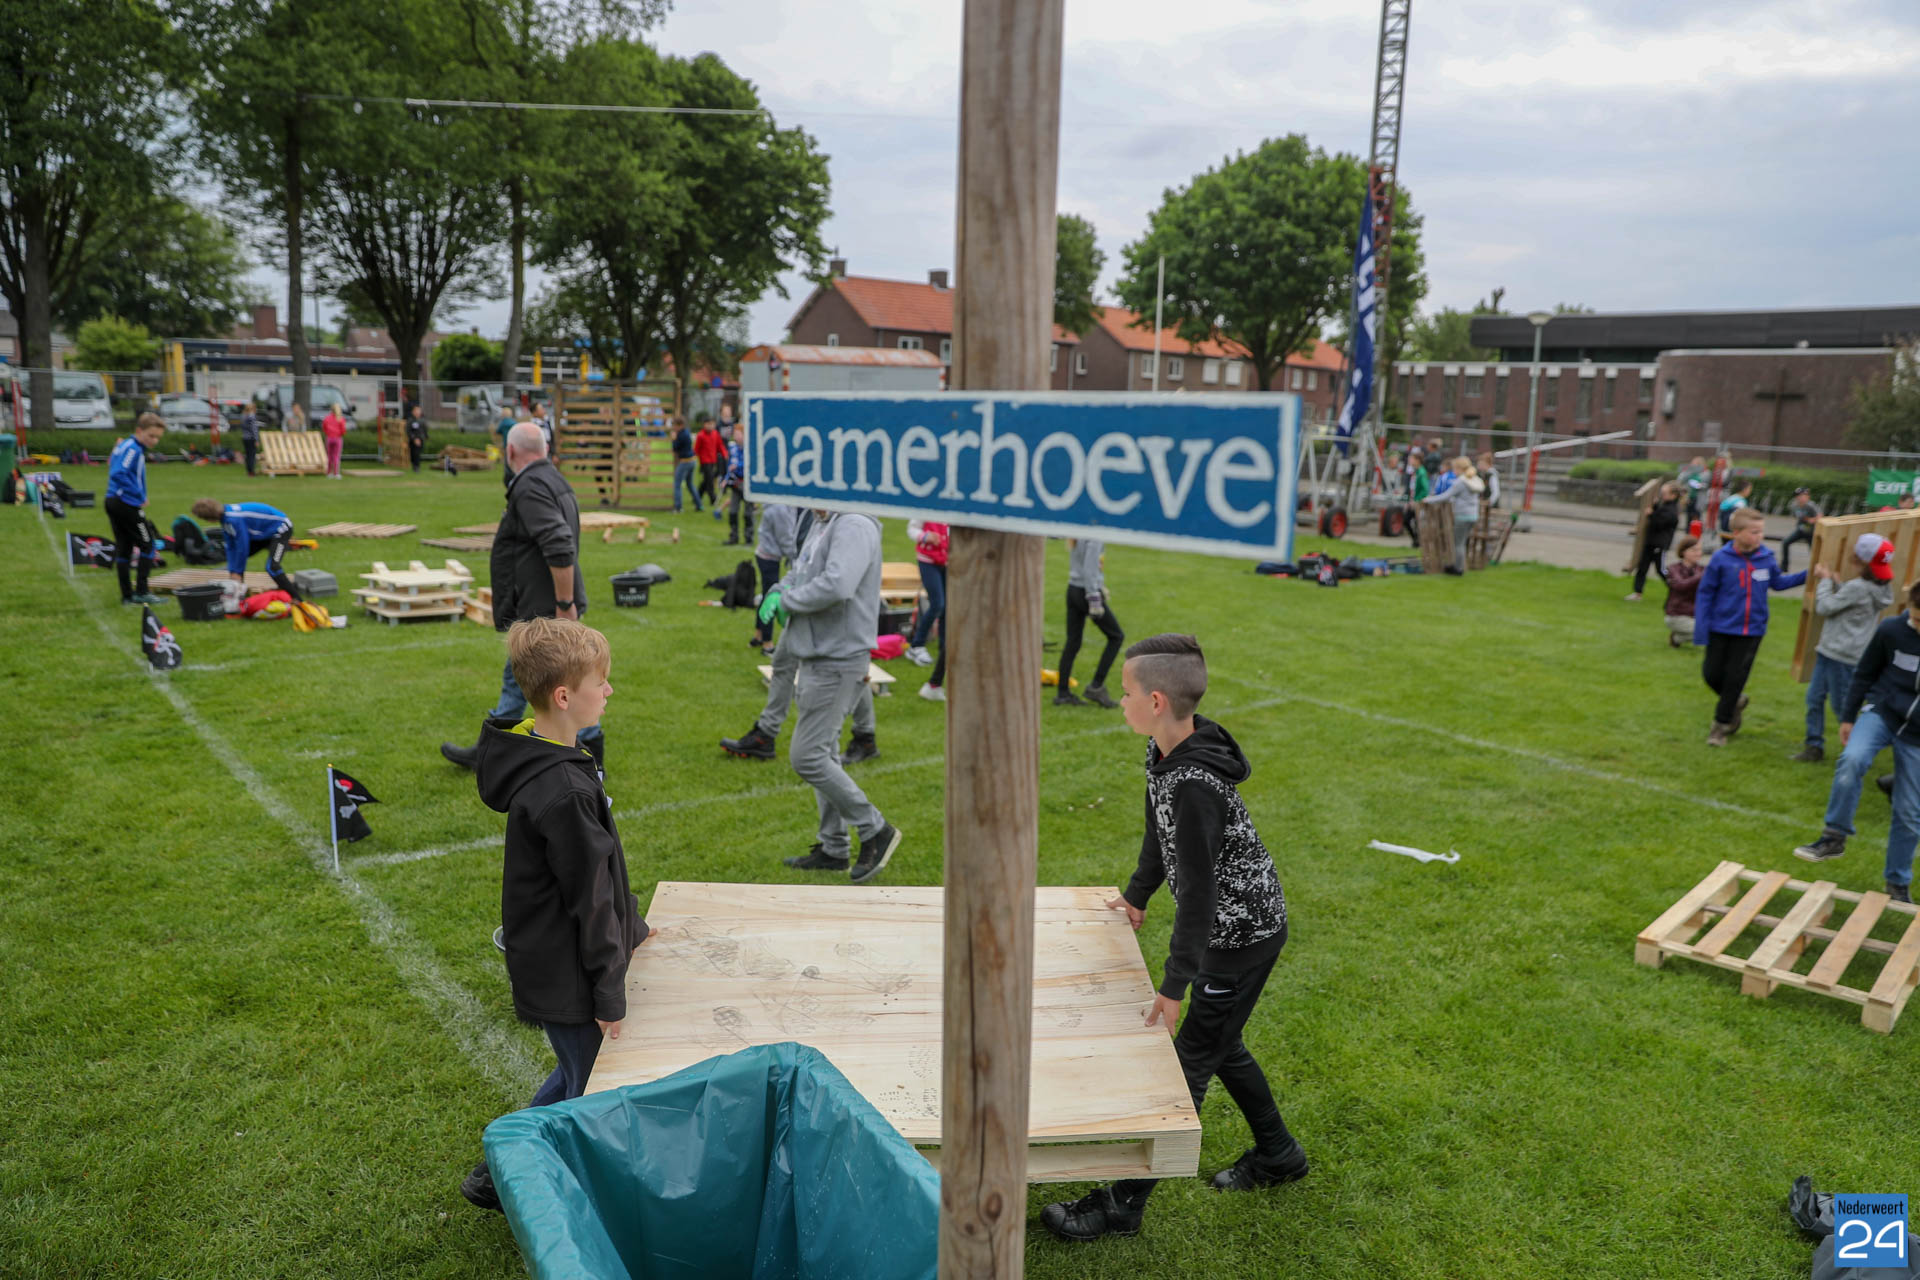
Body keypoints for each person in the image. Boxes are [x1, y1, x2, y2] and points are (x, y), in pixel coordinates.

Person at [1040, 634, 1304, 1243]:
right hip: (1229, 932)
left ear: (1155, 700)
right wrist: (1138, 893)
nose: (1120, 701)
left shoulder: (1195, 783)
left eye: (1126, 693)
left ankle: (1122, 1203)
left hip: (1239, 938)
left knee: (1186, 1069)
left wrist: (1175, 984)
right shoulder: (1165, 755)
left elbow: (1202, 896)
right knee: (1221, 1045)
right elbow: (1159, 833)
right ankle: (1279, 1154)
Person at [459, 616, 653, 1212]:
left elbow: (602, 869)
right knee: (593, 1089)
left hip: (564, 960)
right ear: (565, 696)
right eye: (601, 682)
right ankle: (515, 1177)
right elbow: (588, 899)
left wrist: (633, 925)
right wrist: (608, 991)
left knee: (580, 1075)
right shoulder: (562, 789)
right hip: (566, 970)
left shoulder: (556, 755)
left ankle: (498, 1169)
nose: (610, 690)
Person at [440, 423, 601, 773]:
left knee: (552, 680)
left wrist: (564, 605)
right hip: (545, 604)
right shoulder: (553, 479)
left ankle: (500, 752)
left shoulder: (530, 486)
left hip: (544, 608)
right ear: (544, 449)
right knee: (537, 678)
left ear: (510, 452)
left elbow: (560, 544)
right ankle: (496, 749)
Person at [758, 509, 901, 882]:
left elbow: (838, 584)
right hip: (818, 652)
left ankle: (875, 829)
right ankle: (834, 848)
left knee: (807, 756)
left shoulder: (854, 523)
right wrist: (778, 590)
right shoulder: (823, 521)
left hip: (839, 658)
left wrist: (788, 601)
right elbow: (801, 570)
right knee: (825, 751)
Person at [1790, 581, 1920, 904]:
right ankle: (1834, 836)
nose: (1917, 625)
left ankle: (1897, 883)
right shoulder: (1892, 630)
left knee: (1909, 812)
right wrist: (1848, 717)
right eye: (1915, 618)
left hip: (1917, 736)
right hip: (1883, 713)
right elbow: (1864, 673)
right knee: (1852, 759)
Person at [1694, 507, 1806, 746]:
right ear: (1736, 533)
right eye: (1754, 532)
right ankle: (1734, 700)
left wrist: (1808, 574)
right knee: (1711, 674)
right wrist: (1702, 628)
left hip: (1751, 631)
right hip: (1720, 627)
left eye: (1761, 532)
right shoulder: (1721, 559)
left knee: (1735, 678)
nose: (1759, 536)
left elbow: (1779, 583)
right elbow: (1705, 594)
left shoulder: (1766, 558)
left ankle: (1720, 727)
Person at [1792, 534, 1895, 764]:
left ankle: (1859, 749)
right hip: (1836, 652)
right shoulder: (1879, 588)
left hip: (1840, 656)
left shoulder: (1858, 587)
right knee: (1815, 698)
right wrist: (1838, 586)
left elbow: (1825, 607)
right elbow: (1851, 606)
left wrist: (1825, 581)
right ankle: (1814, 746)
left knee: (1843, 709)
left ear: (1859, 560)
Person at [191, 496, 301, 605]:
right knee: (237, 563)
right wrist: (233, 571)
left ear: (209, 518)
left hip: (281, 529)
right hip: (264, 532)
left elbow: (242, 548)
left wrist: (237, 572)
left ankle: (297, 599)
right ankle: (239, 597)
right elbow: (231, 547)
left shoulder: (233, 520)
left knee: (272, 567)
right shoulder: (225, 518)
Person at [106, 413, 166, 606]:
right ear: (139, 431)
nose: (154, 441)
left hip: (113, 500)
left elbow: (113, 463)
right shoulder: (133, 448)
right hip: (125, 503)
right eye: (151, 436)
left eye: (157, 437)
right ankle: (142, 591)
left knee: (125, 548)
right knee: (148, 545)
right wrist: (138, 494)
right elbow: (118, 473)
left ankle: (127, 596)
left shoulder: (126, 445)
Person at [1057, 538, 1123, 708]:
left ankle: (1062, 693)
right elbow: (1089, 569)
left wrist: (1099, 586)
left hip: (1073, 590)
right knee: (1116, 637)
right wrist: (1094, 596)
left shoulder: (1080, 534)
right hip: (1086, 593)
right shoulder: (1095, 537)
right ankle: (1096, 687)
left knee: (1072, 642)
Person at [1421, 456, 1483, 576]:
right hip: (1473, 515)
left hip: (1462, 516)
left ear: (1459, 468)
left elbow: (1446, 496)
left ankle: (1458, 569)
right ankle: (1457, 566)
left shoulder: (1461, 482)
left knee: (1458, 543)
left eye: (1454, 468)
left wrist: (1428, 500)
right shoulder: (1473, 479)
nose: (1453, 471)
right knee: (1462, 542)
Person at [752, 503, 802, 650]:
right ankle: (767, 643)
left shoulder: (782, 506)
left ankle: (758, 636)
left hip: (767, 555)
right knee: (771, 598)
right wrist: (798, 559)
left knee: (765, 595)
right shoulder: (780, 509)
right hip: (769, 558)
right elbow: (785, 539)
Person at [904, 518, 949, 667]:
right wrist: (925, 536)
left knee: (947, 607)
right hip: (927, 561)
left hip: (947, 560)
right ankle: (916, 645)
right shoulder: (927, 510)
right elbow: (912, 529)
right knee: (938, 604)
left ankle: (944, 648)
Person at [1626, 483, 1681, 601]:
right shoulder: (1665, 506)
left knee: (1661, 570)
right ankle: (1637, 593)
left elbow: (1659, 523)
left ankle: (1678, 589)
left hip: (1659, 545)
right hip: (1650, 543)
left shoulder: (1672, 510)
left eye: (1664, 493)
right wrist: (1655, 507)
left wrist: (1651, 514)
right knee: (1642, 567)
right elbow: (1658, 515)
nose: (1662, 496)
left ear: (1673, 495)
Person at [1662, 535, 1704, 649]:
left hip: (1696, 615)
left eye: (1700, 550)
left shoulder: (1702, 569)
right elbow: (1680, 586)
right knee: (1707, 632)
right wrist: (1700, 576)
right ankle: (1677, 637)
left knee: (1715, 630)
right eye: (1694, 550)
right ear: (1683, 552)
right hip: (1676, 615)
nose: (1698, 553)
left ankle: (1677, 637)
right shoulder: (1673, 569)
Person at [722, 423, 753, 546]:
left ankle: (748, 538)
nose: (736, 437)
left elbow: (750, 463)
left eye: (738, 434)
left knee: (748, 513)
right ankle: (733, 537)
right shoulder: (733, 448)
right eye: (735, 434)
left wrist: (739, 466)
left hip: (747, 485)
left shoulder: (750, 448)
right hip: (735, 484)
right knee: (733, 511)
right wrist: (725, 479)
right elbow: (730, 465)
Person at [1779, 487, 1820, 572]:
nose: (1800, 498)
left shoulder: (1811, 505)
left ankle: (1816, 569)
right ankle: (1784, 566)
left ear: (1807, 497)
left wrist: (1812, 520)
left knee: (1814, 551)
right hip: (1801, 530)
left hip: (1811, 532)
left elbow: (1820, 516)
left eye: (1803, 496)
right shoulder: (1794, 505)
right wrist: (1805, 520)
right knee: (1785, 542)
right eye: (1798, 496)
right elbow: (1798, 516)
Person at [695, 415, 725, 513]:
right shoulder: (700, 435)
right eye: (708, 424)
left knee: (706, 480)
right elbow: (696, 449)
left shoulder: (715, 434)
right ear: (704, 425)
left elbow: (720, 445)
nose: (710, 426)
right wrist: (696, 458)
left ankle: (697, 495)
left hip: (713, 460)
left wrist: (725, 453)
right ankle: (713, 498)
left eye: (712, 424)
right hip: (704, 461)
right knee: (710, 480)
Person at [670, 417, 700, 513]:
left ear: (681, 425)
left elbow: (675, 448)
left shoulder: (681, 435)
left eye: (675, 425)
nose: (674, 428)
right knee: (689, 484)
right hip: (692, 460)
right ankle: (699, 505)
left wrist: (673, 439)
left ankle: (678, 508)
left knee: (677, 484)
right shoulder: (685, 433)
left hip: (686, 461)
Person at [320, 402, 348, 478]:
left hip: (329, 438)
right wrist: (340, 434)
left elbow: (324, 427)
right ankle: (336, 473)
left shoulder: (327, 418)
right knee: (336, 456)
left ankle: (329, 473)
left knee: (329, 456)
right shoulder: (340, 419)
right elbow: (343, 430)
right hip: (337, 438)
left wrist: (328, 433)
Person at [1679, 456, 1708, 524]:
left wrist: (1698, 485)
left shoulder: (1705, 472)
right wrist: (1686, 473)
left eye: (1697, 464)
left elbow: (1707, 485)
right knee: (1688, 515)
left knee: (1696, 516)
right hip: (1689, 497)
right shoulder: (1689, 472)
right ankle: (1688, 529)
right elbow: (1680, 480)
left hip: (1698, 498)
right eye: (1693, 464)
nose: (1694, 466)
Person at [406, 404, 429, 473]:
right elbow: (408, 431)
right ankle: (416, 467)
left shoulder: (422, 420)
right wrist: (414, 439)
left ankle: (416, 466)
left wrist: (426, 436)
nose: (418, 412)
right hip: (413, 440)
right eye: (416, 410)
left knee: (418, 453)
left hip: (421, 439)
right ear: (413, 412)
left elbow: (425, 429)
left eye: (419, 410)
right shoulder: (410, 420)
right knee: (414, 453)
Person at [238, 405, 261, 476]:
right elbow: (254, 429)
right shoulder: (252, 417)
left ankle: (248, 471)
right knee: (252, 455)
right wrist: (256, 439)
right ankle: (252, 471)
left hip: (245, 437)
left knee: (247, 455)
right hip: (251, 438)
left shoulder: (243, 416)